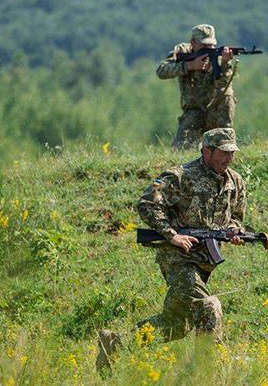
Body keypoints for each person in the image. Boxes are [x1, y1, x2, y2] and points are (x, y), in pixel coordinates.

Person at [96, 128, 246, 373]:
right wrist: (172, 235)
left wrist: (234, 231)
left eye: (232, 152)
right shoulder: (180, 176)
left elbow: (237, 217)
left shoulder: (235, 181)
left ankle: (115, 343)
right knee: (209, 307)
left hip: (205, 262)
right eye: (223, 152)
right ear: (206, 151)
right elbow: (147, 203)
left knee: (176, 324)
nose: (229, 158)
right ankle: (206, 371)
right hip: (178, 259)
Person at [157, 24, 238, 150]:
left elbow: (223, 86)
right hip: (193, 113)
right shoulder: (182, 52)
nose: (209, 48)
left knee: (228, 95)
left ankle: (226, 142)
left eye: (211, 45)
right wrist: (190, 66)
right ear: (193, 43)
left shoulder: (217, 57)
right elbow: (161, 71)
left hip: (213, 111)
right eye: (204, 45)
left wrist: (225, 64)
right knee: (182, 151)